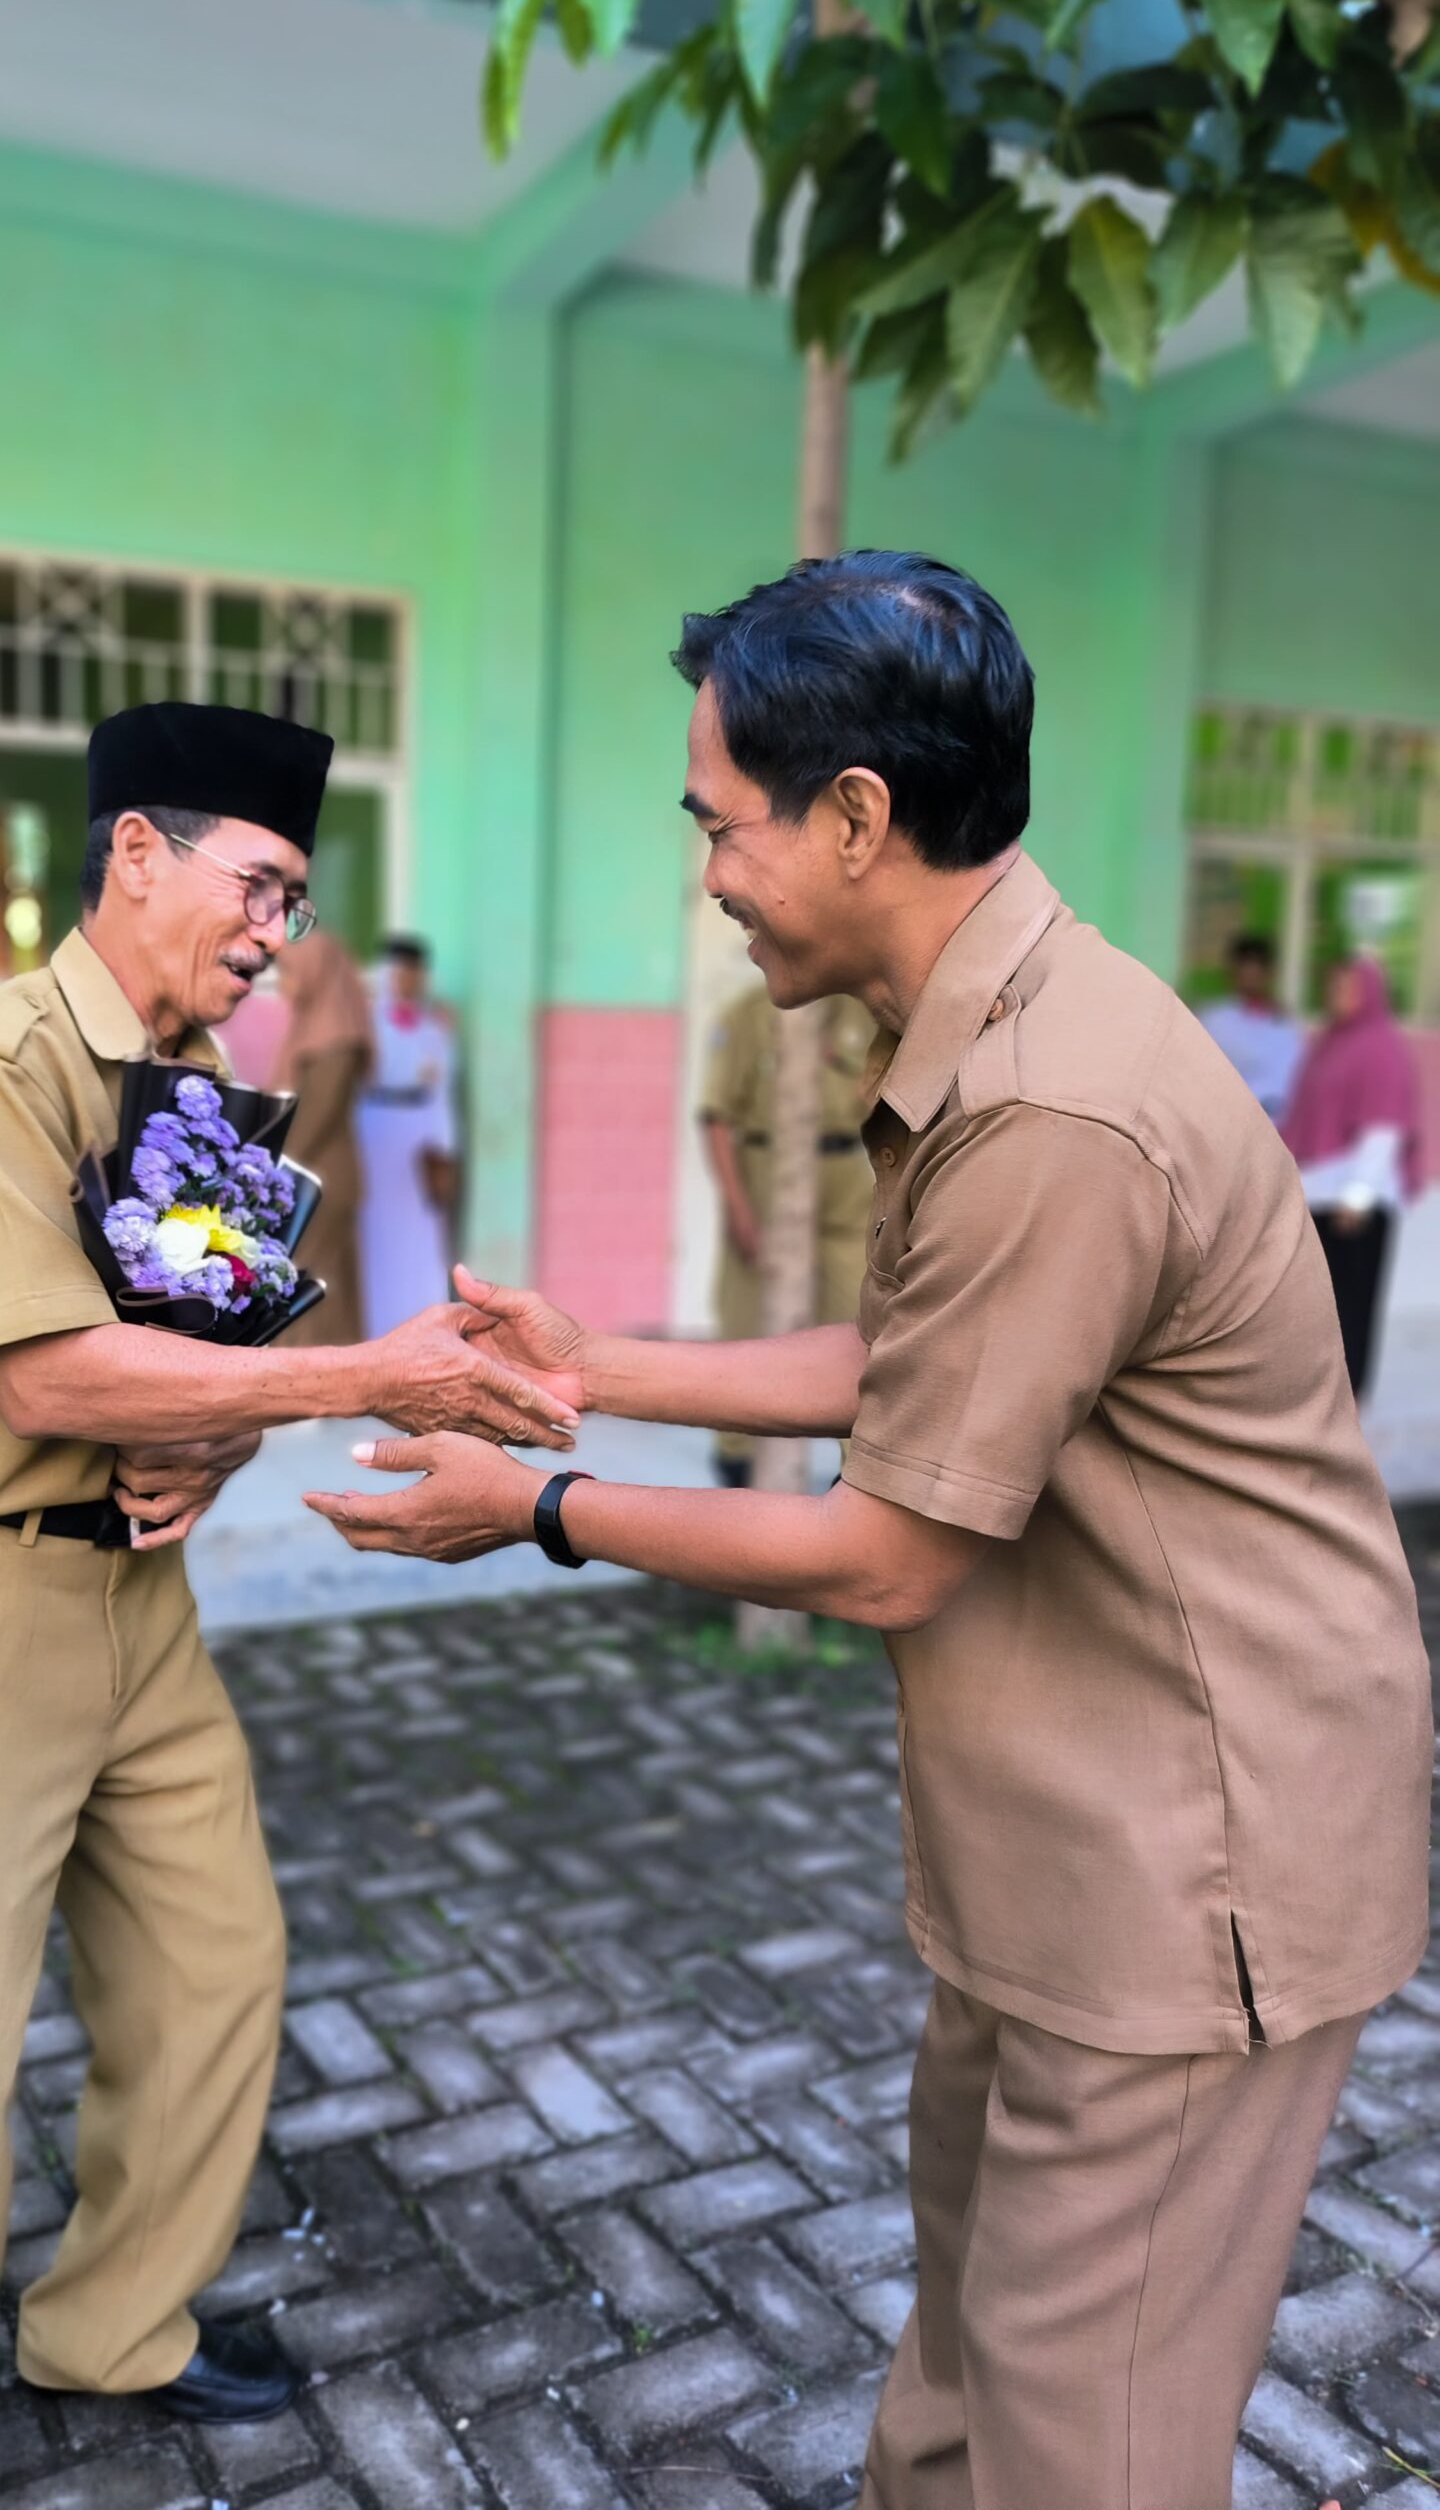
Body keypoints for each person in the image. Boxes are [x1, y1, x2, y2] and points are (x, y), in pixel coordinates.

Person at [307, 555, 1432, 2510]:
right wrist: (596, 1364)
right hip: (1070, 1847)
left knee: (1085, 2438)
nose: (711, 877)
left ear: (853, 814)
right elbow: (918, 1363)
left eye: (719, 826)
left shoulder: (1060, 1104)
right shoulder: (997, 1035)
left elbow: (891, 1551)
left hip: (1195, 1869)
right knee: (963, 2371)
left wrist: (542, 1505)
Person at [0, 700, 576, 2510]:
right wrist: (371, 1376)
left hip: (135, 1605)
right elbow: (52, 1377)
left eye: (298, 900)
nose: (279, 932)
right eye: (262, 885)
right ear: (136, 852)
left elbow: (188, 1353)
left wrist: (211, 1448)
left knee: (217, 1972)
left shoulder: (194, 1086)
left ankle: (110, 2328)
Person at [699, 979, 872, 1485]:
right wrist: (739, 1210)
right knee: (747, 1327)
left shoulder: (859, 1012)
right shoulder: (747, 1015)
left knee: (862, 1328)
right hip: (767, 1177)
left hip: (845, 1178)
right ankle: (738, 1462)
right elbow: (716, 1117)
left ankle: (857, 1471)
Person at [1282, 954, 1425, 1400]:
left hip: (1355, 1202)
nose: (1336, 994)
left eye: (1347, 986)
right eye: (1333, 986)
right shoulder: (1329, 1044)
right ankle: (1311, 1396)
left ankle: (1347, 1399)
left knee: (1351, 1304)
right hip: (1318, 1194)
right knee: (1313, 1305)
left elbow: (1384, 1128)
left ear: (1370, 992)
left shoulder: (1382, 1049)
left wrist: (1358, 1197)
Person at [270, 924, 374, 1348]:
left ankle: (312, 1372)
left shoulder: (335, 1039)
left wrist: (274, 1166)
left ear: (315, 970)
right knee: (325, 1276)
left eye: (289, 971)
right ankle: (336, 1370)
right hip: (315, 1173)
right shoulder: (313, 1026)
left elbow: (317, 1116)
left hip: (320, 1177)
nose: (283, 982)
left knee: (309, 1273)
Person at [357, 934, 461, 1336]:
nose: (406, 981)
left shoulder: (435, 1029)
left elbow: (442, 1092)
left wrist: (445, 1149)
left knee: (419, 1228)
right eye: (399, 972)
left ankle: (421, 1325)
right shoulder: (365, 1023)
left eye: (414, 974)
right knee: (374, 1228)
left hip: (419, 1129)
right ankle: (374, 1328)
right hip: (373, 1125)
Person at [1199, 931, 1304, 1122]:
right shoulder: (1215, 1021)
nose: (1251, 977)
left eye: (1257, 971)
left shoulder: (1286, 1027)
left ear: (1269, 974)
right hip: (1229, 1120)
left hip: (1280, 1124)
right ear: (1233, 973)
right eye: (1246, 970)